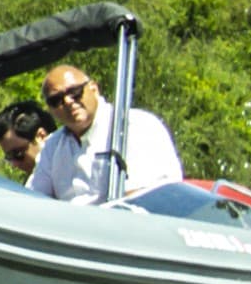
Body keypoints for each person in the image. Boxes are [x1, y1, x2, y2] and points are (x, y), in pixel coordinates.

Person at [30, 61, 181, 204]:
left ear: (94, 89)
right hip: (71, 228)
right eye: (56, 100)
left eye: (74, 92)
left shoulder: (136, 126)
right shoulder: (52, 146)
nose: (68, 101)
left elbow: (142, 199)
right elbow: (35, 200)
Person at [0, 99, 55, 184]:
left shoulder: (73, 168)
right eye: (9, 157)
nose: (15, 164)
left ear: (41, 136)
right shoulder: (32, 186)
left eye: (18, 154)